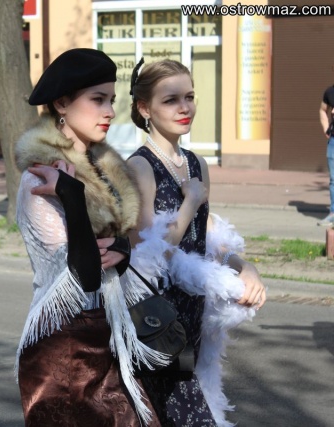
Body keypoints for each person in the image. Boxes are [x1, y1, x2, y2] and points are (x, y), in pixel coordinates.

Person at [14, 48, 164, 426]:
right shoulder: (39, 178)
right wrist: (71, 193)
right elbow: (82, 275)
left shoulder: (104, 170)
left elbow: (115, 253)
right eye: (98, 99)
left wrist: (123, 249)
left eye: (111, 99)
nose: (110, 111)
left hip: (109, 335)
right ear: (61, 103)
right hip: (64, 353)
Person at [127, 58, 267, 426]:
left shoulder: (196, 164)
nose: (184, 107)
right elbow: (150, 253)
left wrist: (243, 266)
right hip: (157, 315)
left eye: (189, 97)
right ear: (145, 108)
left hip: (194, 310)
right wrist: (190, 201)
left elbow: (203, 233)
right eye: (170, 99)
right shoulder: (139, 167)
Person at [318, 81, 334, 225]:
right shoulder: (329, 92)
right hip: (333, 141)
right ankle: (333, 214)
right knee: (333, 180)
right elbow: (323, 110)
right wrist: (325, 128)